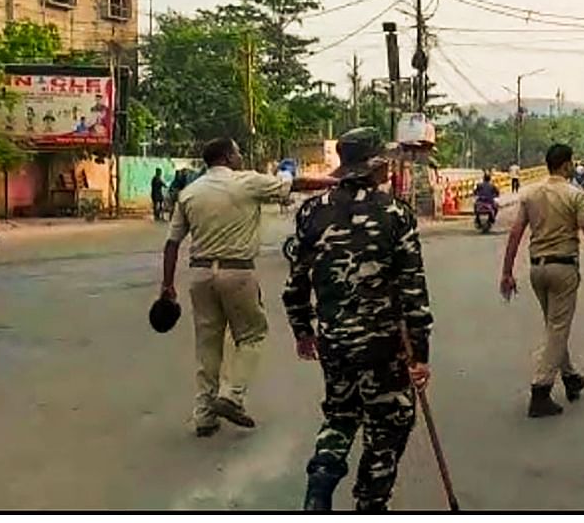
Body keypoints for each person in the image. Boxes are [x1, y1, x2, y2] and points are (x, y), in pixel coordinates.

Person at [283, 128, 433, 511]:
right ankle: (371, 502)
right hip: (383, 344)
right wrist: (420, 355)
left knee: (340, 413)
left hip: (334, 340)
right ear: (377, 165)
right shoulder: (395, 214)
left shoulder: (312, 211)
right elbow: (413, 291)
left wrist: (302, 329)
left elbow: (297, 280)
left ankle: (321, 481)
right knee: (390, 422)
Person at [160, 137, 335, 437]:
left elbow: (172, 243)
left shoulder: (189, 193)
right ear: (228, 157)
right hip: (236, 272)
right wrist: (335, 181)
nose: (241, 156)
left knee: (207, 344)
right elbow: (295, 184)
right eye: (238, 152)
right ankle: (231, 395)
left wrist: (167, 286)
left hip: (200, 274)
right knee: (252, 335)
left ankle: (204, 415)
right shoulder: (247, 183)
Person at [501, 143, 584, 418]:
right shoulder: (575, 195)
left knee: (555, 325)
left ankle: (570, 377)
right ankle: (540, 389)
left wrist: (507, 272)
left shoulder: (530, 194)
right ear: (566, 165)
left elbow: (516, 233)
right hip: (563, 268)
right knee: (558, 327)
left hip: (537, 269)